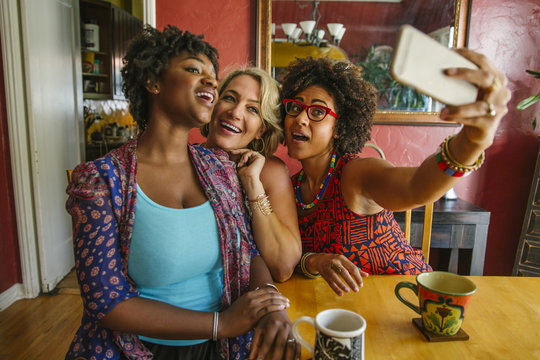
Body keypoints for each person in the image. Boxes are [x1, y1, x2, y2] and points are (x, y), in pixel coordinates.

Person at [65, 25, 300, 360]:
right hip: (137, 349)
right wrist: (219, 323)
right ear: (153, 82)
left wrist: (269, 304)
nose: (212, 83)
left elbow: (248, 252)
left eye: (213, 77)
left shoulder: (220, 169)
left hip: (225, 347)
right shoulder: (102, 180)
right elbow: (105, 302)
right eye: (194, 69)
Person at [281, 53, 510, 296]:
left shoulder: (356, 174)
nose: (300, 118)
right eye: (295, 107)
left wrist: (472, 142)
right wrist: (313, 261)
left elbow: (416, 186)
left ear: (339, 128)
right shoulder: (290, 188)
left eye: (317, 111)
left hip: (409, 298)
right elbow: (283, 254)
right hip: (351, 308)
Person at [201, 67, 302, 282]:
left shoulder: (270, 172)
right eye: (229, 98)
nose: (236, 113)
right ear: (214, 104)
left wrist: (252, 183)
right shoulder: (184, 159)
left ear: (261, 130)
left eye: (253, 110)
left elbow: (283, 267)